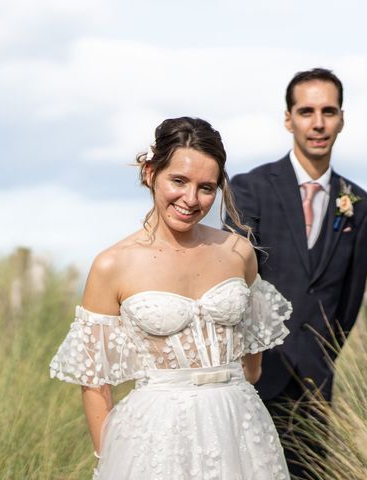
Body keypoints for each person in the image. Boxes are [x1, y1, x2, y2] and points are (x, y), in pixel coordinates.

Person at [49, 117, 292, 479]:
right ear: (150, 173)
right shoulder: (112, 264)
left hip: (239, 428)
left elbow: (252, 358)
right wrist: (110, 459)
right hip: (154, 439)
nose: (191, 199)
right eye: (178, 181)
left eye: (206, 188)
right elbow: (95, 382)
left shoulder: (238, 252)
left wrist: (231, 397)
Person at [228, 68, 367, 478]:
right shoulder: (249, 188)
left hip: (314, 381)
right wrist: (248, 361)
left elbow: (348, 302)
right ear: (288, 118)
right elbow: (233, 283)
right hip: (252, 375)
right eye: (306, 111)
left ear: (341, 119)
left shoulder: (359, 204)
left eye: (328, 111)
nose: (318, 123)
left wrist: (320, 354)